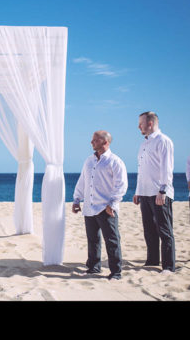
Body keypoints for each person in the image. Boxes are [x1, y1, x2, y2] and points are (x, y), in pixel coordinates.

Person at [72, 130, 128, 280]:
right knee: (93, 240)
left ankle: (116, 272)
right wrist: (77, 199)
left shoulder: (115, 161)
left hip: (106, 207)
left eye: (95, 140)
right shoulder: (89, 161)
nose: (92, 142)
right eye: (92, 140)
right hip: (89, 206)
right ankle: (93, 267)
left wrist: (113, 203)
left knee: (112, 240)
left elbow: (121, 185)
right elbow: (82, 180)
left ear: (105, 142)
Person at [133, 111, 175, 274]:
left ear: (150, 123)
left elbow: (167, 168)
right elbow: (141, 169)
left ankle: (168, 266)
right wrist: (137, 191)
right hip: (144, 193)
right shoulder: (144, 144)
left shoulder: (163, 141)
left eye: (141, 123)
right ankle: (152, 260)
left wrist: (163, 190)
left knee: (164, 230)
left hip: (159, 193)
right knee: (149, 229)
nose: (139, 126)